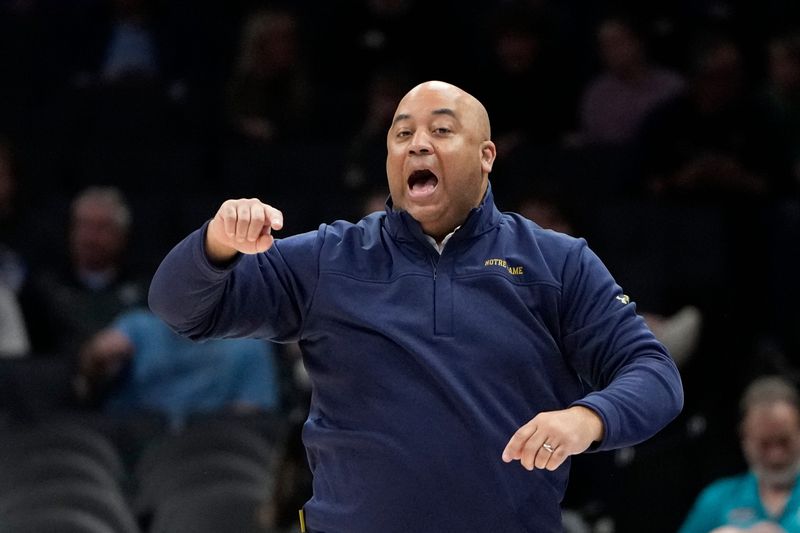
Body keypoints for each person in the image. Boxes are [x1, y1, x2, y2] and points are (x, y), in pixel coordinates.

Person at [149, 80, 683, 533]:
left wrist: (586, 419)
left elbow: (654, 373)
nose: (417, 144)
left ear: (486, 155)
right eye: (402, 134)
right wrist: (216, 243)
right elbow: (180, 308)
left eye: (442, 130)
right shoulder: (327, 258)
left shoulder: (556, 262)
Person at [73, 307, 280, 429]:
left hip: (208, 445)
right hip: (134, 438)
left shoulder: (249, 345)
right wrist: (99, 355)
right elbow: (90, 365)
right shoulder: (139, 327)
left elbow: (252, 418)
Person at [678, 375, 800, 533]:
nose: (775, 456)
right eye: (764, 444)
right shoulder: (717, 499)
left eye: (784, 441)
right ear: (745, 439)